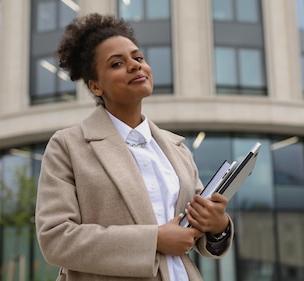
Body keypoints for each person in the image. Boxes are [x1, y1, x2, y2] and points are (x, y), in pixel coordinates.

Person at [34, 13, 234, 281]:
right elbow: (56, 238)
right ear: (95, 85)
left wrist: (217, 225)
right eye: (117, 63)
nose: (134, 66)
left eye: (138, 58)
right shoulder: (68, 147)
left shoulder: (176, 149)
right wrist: (153, 240)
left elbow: (195, 235)